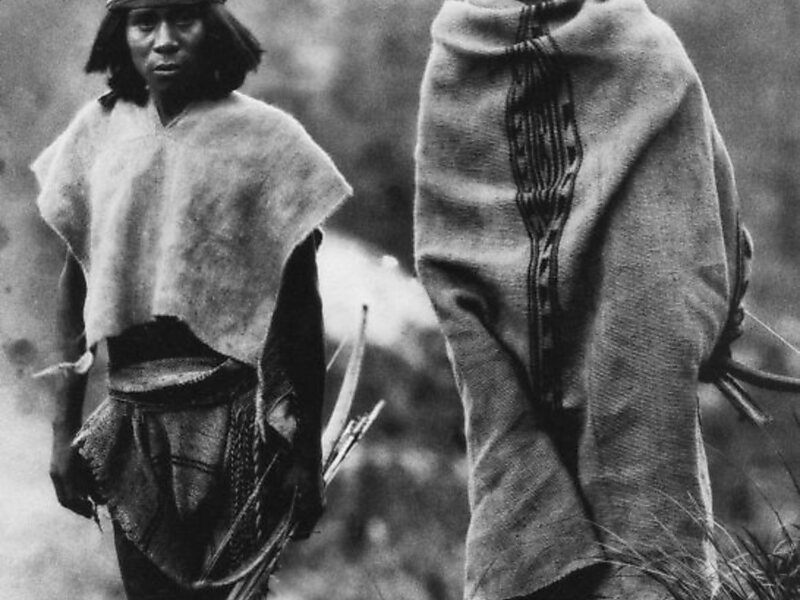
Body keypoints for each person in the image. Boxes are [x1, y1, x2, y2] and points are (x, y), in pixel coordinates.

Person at [414, 0, 749, 598]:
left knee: (617, 547)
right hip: (568, 372)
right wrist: (718, 323)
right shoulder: (642, 50)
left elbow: (443, 254)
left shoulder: (639, 52)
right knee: (612, 548)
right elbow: (445, 249)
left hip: (590, 365)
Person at [33, 1, 351, 598]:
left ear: (215, 27)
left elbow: (300, 308)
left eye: (184, 19)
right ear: (122, 33)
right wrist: (62, 435)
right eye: (145, 22)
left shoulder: (269, 142)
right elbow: (75, 286)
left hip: (238, 426)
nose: (164, 41)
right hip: (134, 426)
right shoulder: (97, 134)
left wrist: (306, 455)